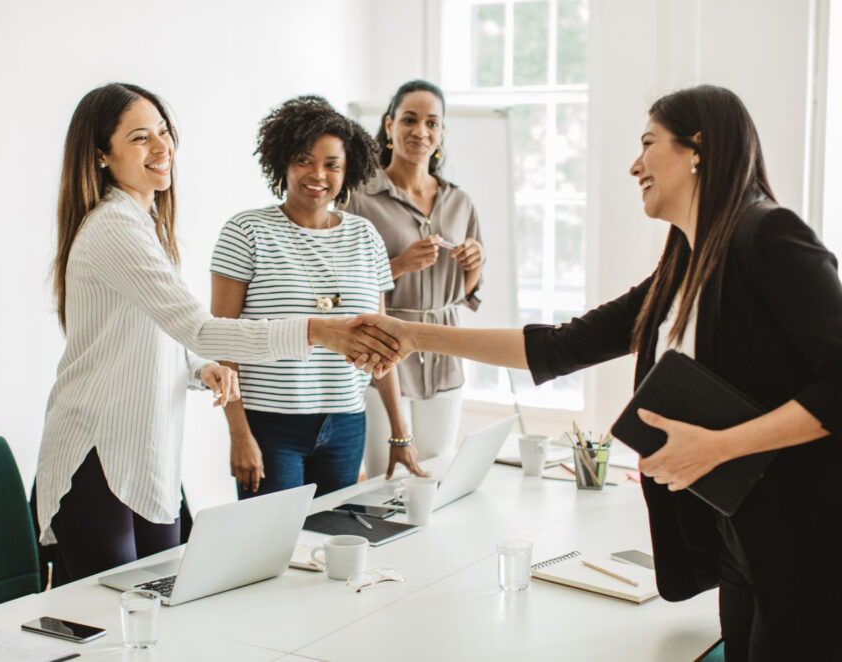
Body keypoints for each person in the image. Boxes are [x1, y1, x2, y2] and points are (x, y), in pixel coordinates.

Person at [350, 85, 842, 660]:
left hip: (803, 535)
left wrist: (719, 447)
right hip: (738, 533)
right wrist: (413, 335)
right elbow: (558, 348)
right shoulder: (684, 261)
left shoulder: (771, 236)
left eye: (648, 144)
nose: (635, 166)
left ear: (697, 150)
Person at [34, 84, 399, 585]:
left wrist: (199, 369)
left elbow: (158, 340)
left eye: (163, 132)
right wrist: (318, 331)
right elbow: (202, 327)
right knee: (117, 619)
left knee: (164, 605)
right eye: (141, 137)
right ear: (101, 154)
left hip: (146, 452)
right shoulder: (114, 226)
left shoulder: (143, 224)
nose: (162, 148)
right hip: (97, 451)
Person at [211, 96, 426, 498]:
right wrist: (239, 434)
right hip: (271, 427)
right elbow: (221, 342)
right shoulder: (246, 231)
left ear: (348, 171)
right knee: (272, 549)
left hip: (346, 424)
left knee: (337, 544)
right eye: (304, 160)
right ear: (282, 163)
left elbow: (384, 345)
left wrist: (400, 433)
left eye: (332, 165)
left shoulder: (365, 236)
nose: (318, 174)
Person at [348, 80, 484, 477]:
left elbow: (467, 293)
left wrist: (473, 264)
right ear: (389, 125)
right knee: (382, 475)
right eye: (409, 119)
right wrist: (400, 264)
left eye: (431, 123)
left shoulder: (460, 201)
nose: (420, 131)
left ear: (441, 133)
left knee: (437, 471)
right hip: (382, 349)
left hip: (444, 353)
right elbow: (347, 284)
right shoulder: (359, 197)